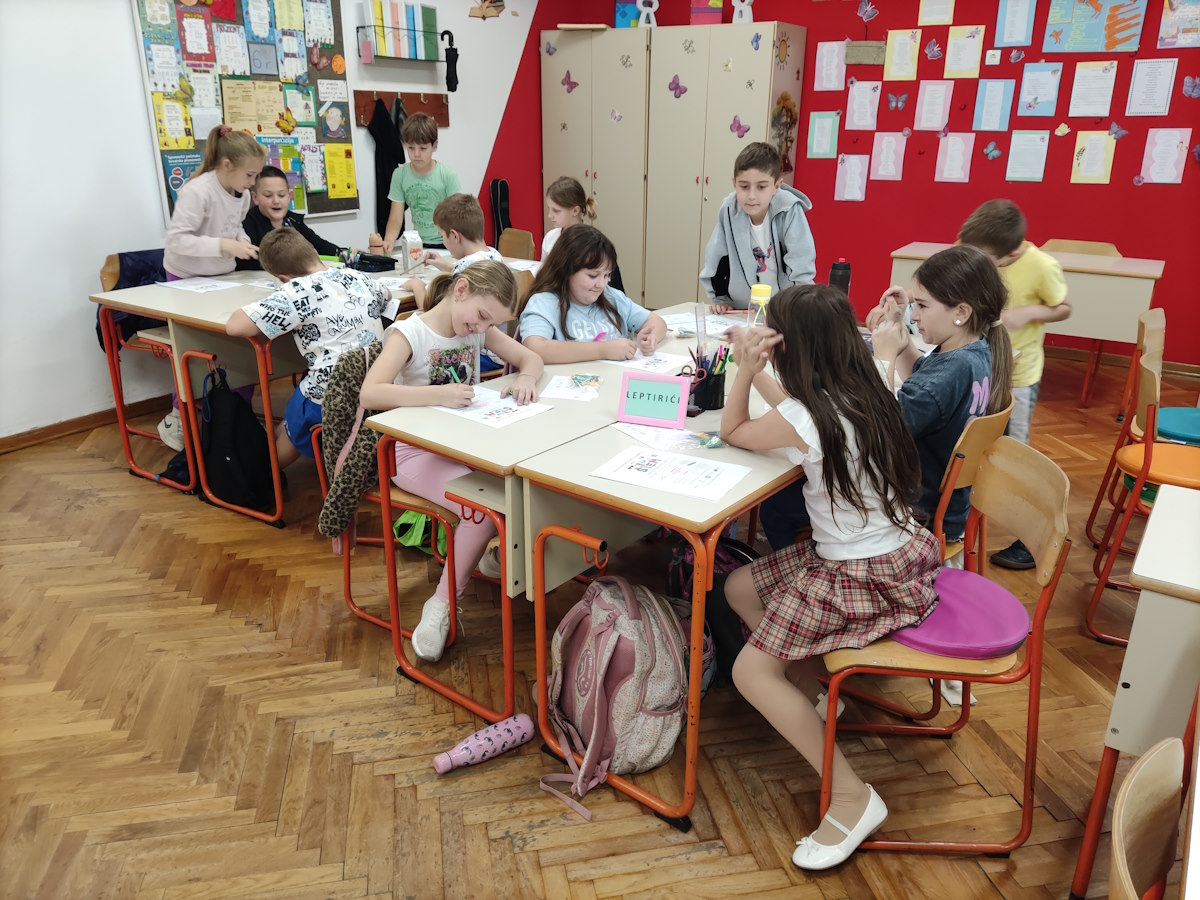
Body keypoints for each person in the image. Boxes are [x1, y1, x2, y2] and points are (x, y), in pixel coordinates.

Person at [718, 284, 940, 871]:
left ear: (790, 348)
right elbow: (795, 414)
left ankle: (851, 797)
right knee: (739, 588)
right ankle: (818, 696)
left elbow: (735, 430)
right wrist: (763, 371)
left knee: (749, 671)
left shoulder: (807, 417)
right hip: (899, 553)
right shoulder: (872, 383)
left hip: (859, 572)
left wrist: (745, 372)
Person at [360, 260, 544, 662]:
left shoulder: (476, 327)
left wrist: (527, 377)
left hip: (466, 446)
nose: (482, 327)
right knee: (482, 508)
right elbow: (370, 393)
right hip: (412, 453)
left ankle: (494, 558)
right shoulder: (411, 333)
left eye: (490, 323)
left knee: (529, 484)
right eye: (482, 316)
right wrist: (439, 395)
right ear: (460, 290)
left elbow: (531, 359)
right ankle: (442, 604)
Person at [959, 199, 1069, 570]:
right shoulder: (976, 250)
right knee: (975, 445)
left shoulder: (1041, 266)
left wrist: (1030, 312)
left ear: (1011, 253)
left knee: (1019, 459)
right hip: (982, 370)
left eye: (986, 259)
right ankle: (964, 517)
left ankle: (1030, 540)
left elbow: (1064, 306)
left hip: (1018, 378)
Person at [225, 228, 387, 467]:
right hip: (379, 385)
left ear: (283, 277)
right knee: (298, 400)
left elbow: (234, 326)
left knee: (303, 404)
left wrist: (277, 296)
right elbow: (386, 296)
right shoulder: (356, 276)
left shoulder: (295, 291)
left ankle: (269, 472)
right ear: (313, 252)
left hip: (333, 394)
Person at [160, 124, 266, 449]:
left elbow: (235, 228)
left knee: (238, 343)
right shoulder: (198, 191)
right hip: (186, 278)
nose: (253, 183)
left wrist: (241, 241)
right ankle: (179, 417)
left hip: (222, 276)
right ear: (227, 165)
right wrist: (224, 245)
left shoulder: (241, 193)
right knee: (192, 348)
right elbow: (177, 241)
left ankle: (237, 414)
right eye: (250, 175)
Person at [519, 225, 665, 364]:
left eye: (607, 275)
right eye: (593, 276)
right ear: (566, 270)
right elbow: (534, 348)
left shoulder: (611, 297)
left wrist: (651, 337)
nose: (601, 284)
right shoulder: (544, 303)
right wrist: (603, 350)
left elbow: (655, 321)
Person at [699, 142, 816, 313]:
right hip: (741, 310)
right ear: (734, 183)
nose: (752, 196)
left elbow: (801, 263)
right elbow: (716, 257)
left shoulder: (789, 210)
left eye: (761, 187)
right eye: (744, 187)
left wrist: (796, 306)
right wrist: (721, 300)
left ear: (777, 185)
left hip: (783, 309)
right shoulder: (729, 210)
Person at [376, 113, 461, 254]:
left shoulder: (447, 175)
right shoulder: (399, 175)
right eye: (411, 148)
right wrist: (389, 240)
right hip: (418, 244)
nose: (416, 154)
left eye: (422, 148)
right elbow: (396, 217)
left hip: (447, 245)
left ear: (434, 146)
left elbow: (458, 217)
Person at [236, 166, 343, 271]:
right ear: (255, 198)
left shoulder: (294, 221)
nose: (276, 201)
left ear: (289, 196)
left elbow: (320, 245)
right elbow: (247, 262)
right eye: (268, 196)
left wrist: (343, 253)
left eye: (281, 195)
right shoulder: (247, 224)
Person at [541, 177, 624, 291]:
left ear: (575, 211)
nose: (549, 215)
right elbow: (544, 275)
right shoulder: (550, 238)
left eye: (556, 211)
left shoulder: (594, 243)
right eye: (549, 209)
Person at [420, 193, 503, 275]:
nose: (443, 242)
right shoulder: (495, 255)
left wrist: (417, 284)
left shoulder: (465, 269)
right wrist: (445, 266)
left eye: (442, 236)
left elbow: (463, 274)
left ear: (454, 236)